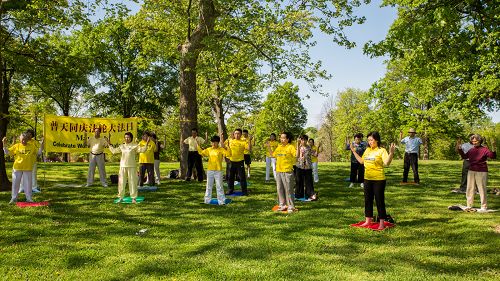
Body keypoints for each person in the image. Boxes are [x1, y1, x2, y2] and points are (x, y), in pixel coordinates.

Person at [350, 131, 395, 230]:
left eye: (371, 140)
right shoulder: (367, 150)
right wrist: (353, 151)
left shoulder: (381, 150)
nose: (370, 142)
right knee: (368, 200)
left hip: (379, 179)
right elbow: (362, 161)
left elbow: (387, 163)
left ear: (377, 140)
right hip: (367, 179)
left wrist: (391, 153)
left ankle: (382, 223)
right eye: (368, 140)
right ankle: (368, 221)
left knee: (379, 201)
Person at [457, 134, 496, 211]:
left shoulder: (484, 149)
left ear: (480, 141)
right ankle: (469, 205)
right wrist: (460, 149)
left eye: (475, 141)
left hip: (481, 171)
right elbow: (465, 157)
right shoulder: (471, 150)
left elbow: (492, 156)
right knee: (470, 188)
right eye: (473, 141)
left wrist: (494, 148)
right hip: (471, 170)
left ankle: (483, 206)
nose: (474, 142)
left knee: (482, 189)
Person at [108, 132, 149, 203]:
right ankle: (120, 197)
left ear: (131, 138)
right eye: (125, 137)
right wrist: (109, 144)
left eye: (128, 137)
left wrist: (147, 143)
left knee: (132, 182)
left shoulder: (135, 146)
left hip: (132, 166)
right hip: (123, 166)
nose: (126, 139)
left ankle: (133, 198)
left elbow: (143, 150)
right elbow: (114, 151)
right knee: (121, 182)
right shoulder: (122, 146)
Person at [3, 133, 44, 204]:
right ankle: (14, 198)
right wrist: (4, 144)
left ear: (27, 139)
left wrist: (42, 144)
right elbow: (7, 152)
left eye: (25, 139)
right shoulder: (16, 146)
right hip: (17, 168)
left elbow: (39, 153)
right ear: (20, 139)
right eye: (22, 140)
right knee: (15, 184)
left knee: (28, 184)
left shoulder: (32, 146)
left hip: (28, 168)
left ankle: (29, 198)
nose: (23, 141)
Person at [266, 132, 297, 213]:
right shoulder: (279, 147)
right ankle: (282, 205)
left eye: (283, 138)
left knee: (289, 189)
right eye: (281, 138)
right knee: (280, 189)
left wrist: (299, 146)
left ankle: (291, 206)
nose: (281, 139)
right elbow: (273, 155)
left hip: (287, 171)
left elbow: (296, 155)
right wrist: (269, 147)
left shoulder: (291, 147)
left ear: (288, 139)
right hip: (279, 171)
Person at [197, 135, 231, 205]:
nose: (213, 144)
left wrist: (228, 146)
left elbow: (229, 154)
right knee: (209, 186)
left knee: (219, 186)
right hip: (210, 170)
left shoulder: (221, 149)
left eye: (215, 142)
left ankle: (221, 201)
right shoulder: (209, 149)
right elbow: (201, 152)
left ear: (218, 142)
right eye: (212, 142)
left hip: (218, 171)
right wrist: (198, 146)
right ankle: (207, 200)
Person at [226, 128, 251, 195]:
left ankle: (244, 191)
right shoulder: (230, 141)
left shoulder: (243, 142)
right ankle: (230, 190)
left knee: (242, 177)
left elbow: (249, 149)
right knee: (230, 177)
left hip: (240, 162)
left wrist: (250, 141)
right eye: (235, 133)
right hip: (231, 161)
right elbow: (224, 147)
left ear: (241, 134)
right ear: (234, 134)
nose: (237, 135)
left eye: (238, 133)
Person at [296, 135, 317, 201]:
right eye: (302, 140)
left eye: (305, 140)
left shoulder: (309, 147)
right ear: (300, 140)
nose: (303, 141)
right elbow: (297, 156)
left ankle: (310, 194)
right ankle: (299, 194)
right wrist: (298, 144)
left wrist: (318, 148)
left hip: (308, 167)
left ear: (307, 140)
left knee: (308, 182)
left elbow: (315, 155)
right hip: (300, 166)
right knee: (299, 181)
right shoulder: (299, 147)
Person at [20, 129, 41, 193]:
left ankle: (34, 188)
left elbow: (38, 151)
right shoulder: (22, 141)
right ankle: (22, 188)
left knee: (33, 174)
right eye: (28, 133)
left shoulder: (35, 142)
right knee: (22, 175)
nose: (29, 135)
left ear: (32, 135)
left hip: (32, 161)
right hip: (23, 161)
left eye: (30, 134)